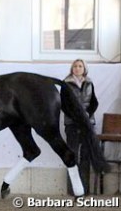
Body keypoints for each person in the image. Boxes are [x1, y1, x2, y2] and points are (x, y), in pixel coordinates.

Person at [64, 59, 99, 195]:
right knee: (71, 156)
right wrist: (77, 116)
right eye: (75, 66)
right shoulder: (66, 83)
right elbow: (64, 105)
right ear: (72, 68)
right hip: (72, 124)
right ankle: (73, 191)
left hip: (88, 124)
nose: (77, 68)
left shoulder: (89, 83)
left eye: (80, 66)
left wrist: (87, 114)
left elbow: (94, 102)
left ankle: (85, 190)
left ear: (84, 69)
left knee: (85, 156)